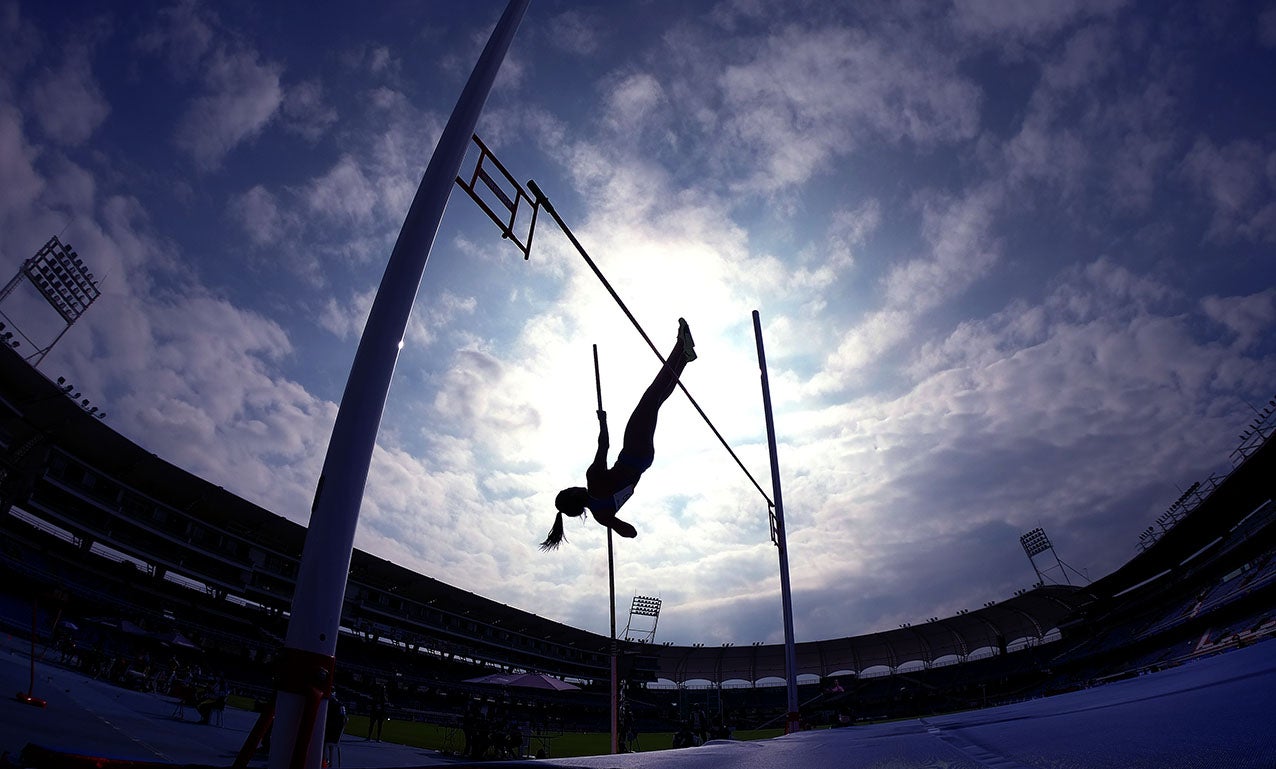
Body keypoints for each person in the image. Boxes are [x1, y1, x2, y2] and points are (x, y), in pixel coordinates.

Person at [540, 318, 697, 550]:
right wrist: (603, 422)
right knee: (651, 397)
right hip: (632, 451)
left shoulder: (600, 515)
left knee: (656, 401)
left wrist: (614, 521)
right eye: (570, 488)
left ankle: (684, 356)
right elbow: (604, 446)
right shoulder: (592, 479)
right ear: (573, 493)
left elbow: (630, 533)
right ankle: (680, 348)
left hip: (642, 461)